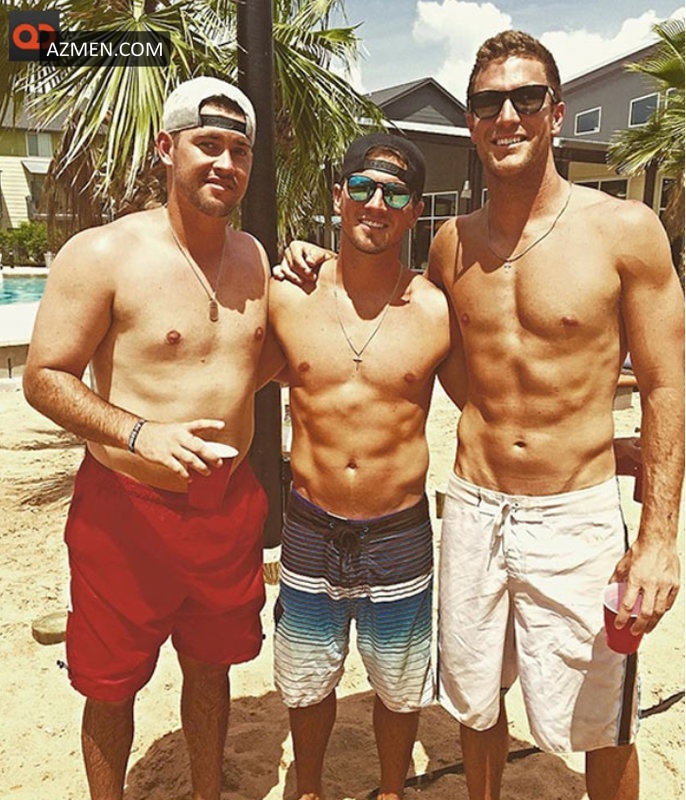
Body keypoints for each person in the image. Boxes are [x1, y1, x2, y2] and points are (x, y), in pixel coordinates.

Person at [277, 31, 684, 800]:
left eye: (526, 98)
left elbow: (667, 384)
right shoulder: (451, 245)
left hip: (575, 513)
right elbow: (438, 354)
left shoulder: (624, 231)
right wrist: (317, 261)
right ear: (470, 122)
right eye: (488, 102)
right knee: (473, 697)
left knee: (604, 716)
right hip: (473, 505)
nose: (507, 115)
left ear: (556, 112)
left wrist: (660, 537)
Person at [23, 77, 271, 800]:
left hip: (226, 506)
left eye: (239, 150)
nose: (225, 162)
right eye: (207, 144)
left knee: (211, 666)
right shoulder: (103, 253)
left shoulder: (256, 260)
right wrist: (139, 432)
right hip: (127, 509)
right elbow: (44, 378)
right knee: (110, 683)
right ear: (167, 148)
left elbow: (262, 362)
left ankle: (206, 791)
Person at [265, 133, 451, 800]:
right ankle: (310, 789)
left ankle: (393, 790)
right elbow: (214, 361)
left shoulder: (435, 309)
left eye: (395, 194)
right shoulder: (288, 295)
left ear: (415, 211)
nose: (377, 203)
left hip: (398, 531)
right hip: (310, 524)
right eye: (364, 187)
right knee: (305, 678)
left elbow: (503, 392)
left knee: (400, 686)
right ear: (339, 194)